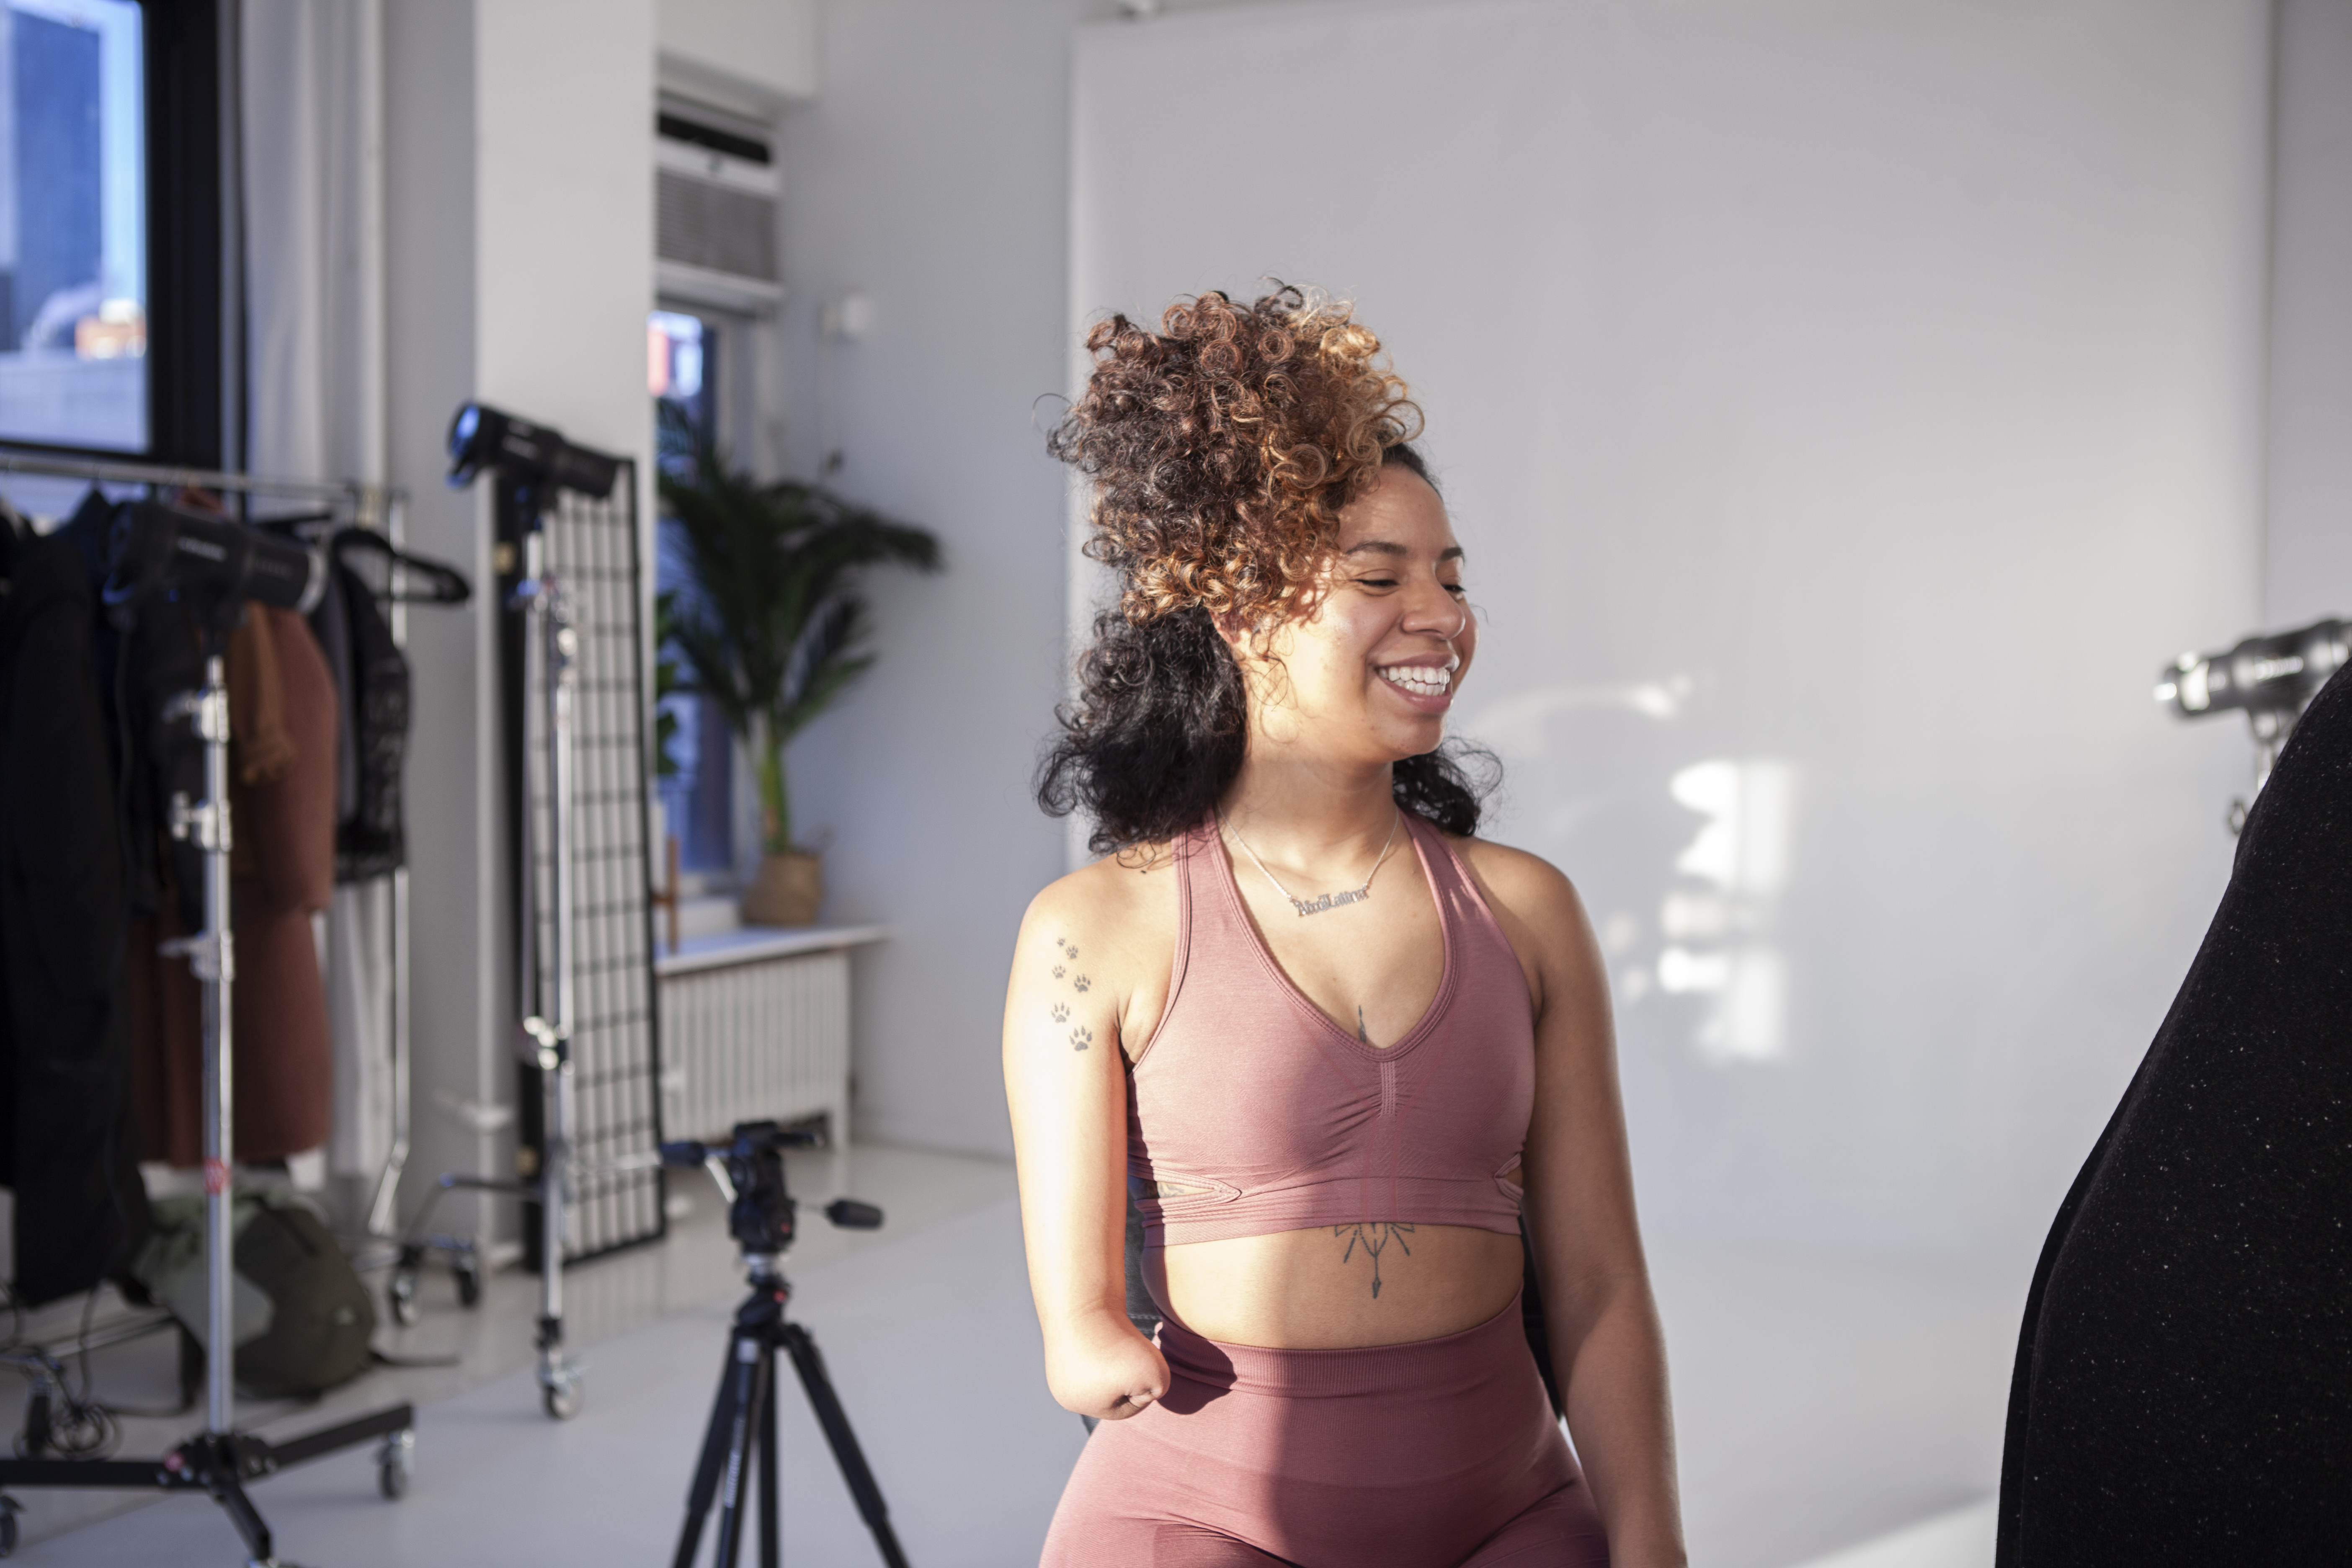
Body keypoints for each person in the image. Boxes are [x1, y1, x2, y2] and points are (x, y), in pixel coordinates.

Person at [1003, 286, 1685, 1567]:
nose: (1440, 614)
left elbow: (1597, 1288)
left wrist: (1652, 1550)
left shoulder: (1527, 911)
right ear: (1237, 604)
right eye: (1379, 577)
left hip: (1508, 1509)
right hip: (1198, 1511)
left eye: (1450, 575)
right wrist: (1085, 1339)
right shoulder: (1092, 929)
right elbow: (1079, 1319)